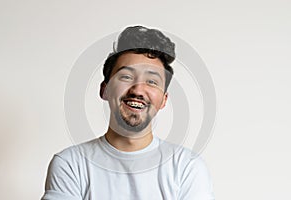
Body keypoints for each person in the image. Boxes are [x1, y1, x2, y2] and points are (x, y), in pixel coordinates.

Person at [41, 25, 214, 200]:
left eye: (152, 81)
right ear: (105, 90)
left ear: (163, 100)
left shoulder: (187, 167)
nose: (138, 90)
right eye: (126, 77)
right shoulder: (70, 164)